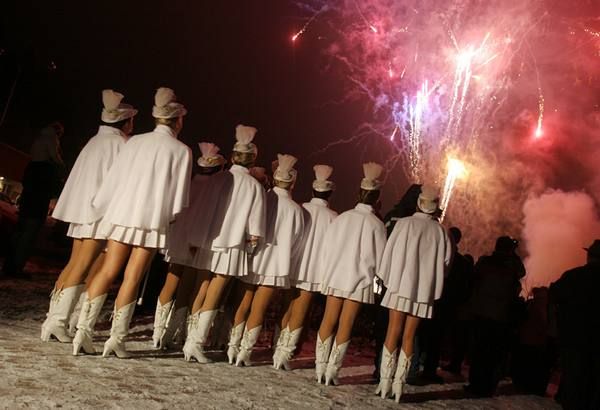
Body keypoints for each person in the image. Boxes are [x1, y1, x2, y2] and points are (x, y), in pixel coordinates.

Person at [71, 87, 192, 358]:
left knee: (106, 271)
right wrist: (169, 216)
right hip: (151, 220)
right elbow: (179, 198)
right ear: (177, 120)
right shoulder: (181, 150)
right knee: (133, 277)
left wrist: (104, 205)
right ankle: (116, 339)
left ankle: (83, 332)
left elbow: (115, 177)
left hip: (122, 213)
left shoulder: (135, 141)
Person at [40, 90, 137, 343]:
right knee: (86, 266)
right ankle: (60, 320)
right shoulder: (121, 145)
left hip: (82, 211)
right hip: (99, 213)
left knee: (75, 264)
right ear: (125, 122)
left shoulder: (94, 141)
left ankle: (54, 318)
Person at [181, 124, 266, 363]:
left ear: (231, 157)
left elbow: (203, 210)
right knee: (214, 293)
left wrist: (197, 237)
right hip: (231, 244)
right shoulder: (254, 186)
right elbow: (255, 226)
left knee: (202, 287)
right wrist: (252, 244)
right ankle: (195, 343)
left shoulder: (217, 178)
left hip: (209, 238)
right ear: (252, 160)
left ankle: (190, 340)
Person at [375, 185, 452, 402]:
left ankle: (384, 382)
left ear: (419, 203)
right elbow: (446, 265)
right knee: (409, 336)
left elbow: (389, 253)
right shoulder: (441, 231)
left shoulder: (404, 224)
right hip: (421, 291)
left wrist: (385, 276)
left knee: (393, 331)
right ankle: (399, 385)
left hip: (399, 285)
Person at [227, 154, 305, 366]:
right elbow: (297, 241)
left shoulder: (263, 195)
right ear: (292, 182)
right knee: (259, 308)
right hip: (275, 263)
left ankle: (232, 347)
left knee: (243, 302)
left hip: (254, 255)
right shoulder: (297, 210)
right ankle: (245, 352)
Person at [315, 162, 387, 386]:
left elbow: (326, 249)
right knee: (346, 324)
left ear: (358, 193)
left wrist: (325, 273)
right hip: (360, 281)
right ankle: (332, 372)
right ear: (377, 198)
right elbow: (381, 260)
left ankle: (319, 368)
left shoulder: (342, 217)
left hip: (335, 275)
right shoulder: (377, 224)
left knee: (328, 319)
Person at [151, 142, 225, 349]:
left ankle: (159, 332)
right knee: (195, 287)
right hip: (199, 239)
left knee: (172, 282)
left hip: (179, 238)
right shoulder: (214, 189)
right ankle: (181, 332)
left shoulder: (190, 183)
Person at [272, 164, 337, 370]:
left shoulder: (301, 207)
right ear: (330, 193)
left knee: (288, 305)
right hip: (315, 268)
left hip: (294, 262)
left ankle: (277, 346)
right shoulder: (334, 217)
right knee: (301, 308)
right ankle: (285, 353)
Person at [2, 122, 65, 279]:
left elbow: (26, 183)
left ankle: (9, 265)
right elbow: (53, 188)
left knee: (19, 233)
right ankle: (16, 267)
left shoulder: (32, 164)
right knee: (28, 235)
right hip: (37, 206)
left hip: (28, 203)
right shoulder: (47, 167)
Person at [464, 236, 524, 397]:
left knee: (479, 351)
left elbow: (473, 280)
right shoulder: (512, 266)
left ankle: (475, 384)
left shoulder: (485, 262)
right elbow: (522, 272)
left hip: (481, 313)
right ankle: (487, 386)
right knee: (493, 353)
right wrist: (514, 253)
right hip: (500, 316)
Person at [549, 240, 600, 410]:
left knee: (574, 377)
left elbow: (553, 294)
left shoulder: (573, 276)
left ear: (589, 256)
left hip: (573, 337)